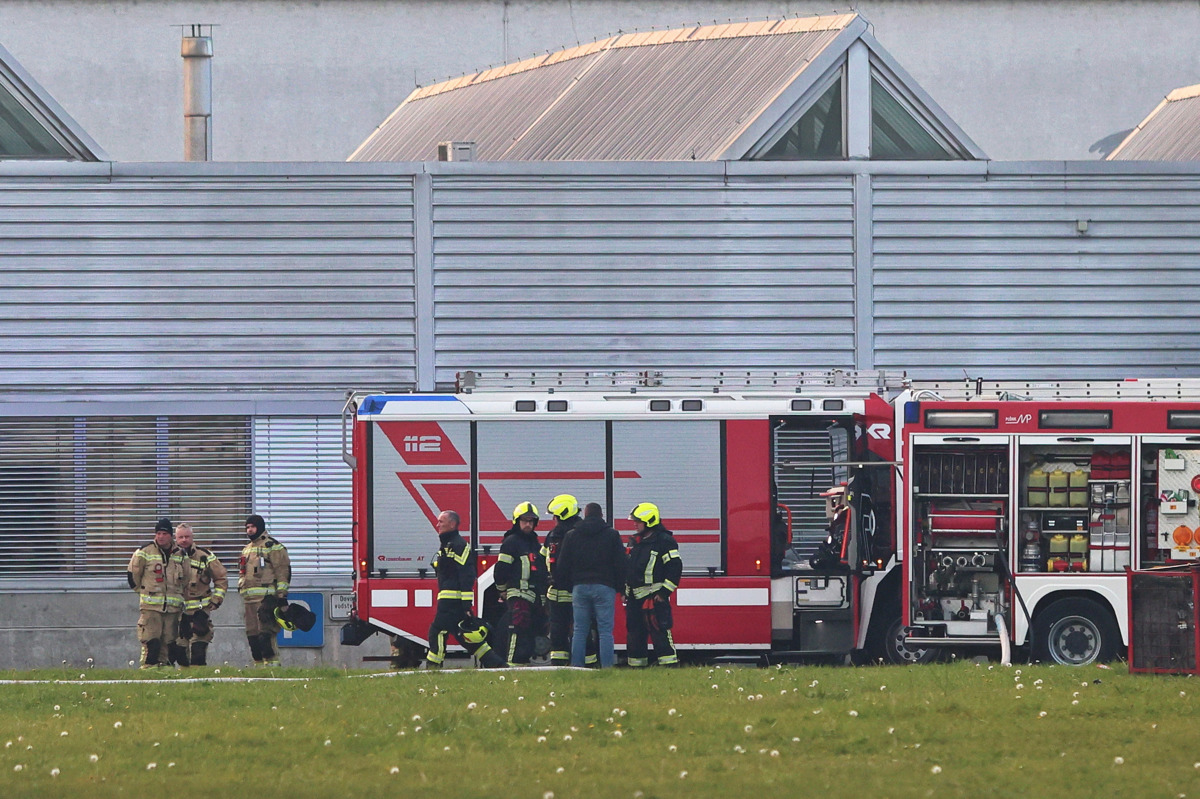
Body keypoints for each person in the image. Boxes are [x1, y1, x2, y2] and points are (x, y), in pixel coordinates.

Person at [425, 509, 503, 668]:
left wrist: (466, 604)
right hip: (451, 601)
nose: (437, 524)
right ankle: (497, 665)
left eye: (441, 521)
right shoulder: (448, 544)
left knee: (437, 632)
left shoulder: (458, 545)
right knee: (467, 638)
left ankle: (433, 668)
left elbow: (467, 576)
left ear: (452, 524)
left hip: (451, 602)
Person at [555, 502, 627, 668]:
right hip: (605, 587)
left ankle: (577, 667)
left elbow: (562, 565)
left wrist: (568, 585)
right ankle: (607, 668)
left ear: (585, 515)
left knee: (580, 630)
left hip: (580, 587)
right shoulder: (612, 535)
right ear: (601, 516)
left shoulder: (572, 535)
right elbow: (621, 564)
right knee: (605, 631)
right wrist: (621, 588)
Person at [624, 502, 682, 667]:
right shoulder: (635, 541)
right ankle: (636, 668)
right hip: (634, 597)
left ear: (649, 521)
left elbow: (675, 568)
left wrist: (663, 593)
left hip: (654, 598)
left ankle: (669, 666)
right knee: (634, 635)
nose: (634, 524)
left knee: (660, 632)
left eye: (638, 521)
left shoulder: (665, 541)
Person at [126, 518, 186, 668]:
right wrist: (144, 592)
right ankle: (147, 672)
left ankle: (164, 674)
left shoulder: (181, 554)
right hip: (151, 608)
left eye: (164, 533)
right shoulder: (144, 551)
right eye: (158, 533)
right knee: (151, 641)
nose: (160, 536)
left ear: (170, 535)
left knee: (168, 642)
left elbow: (186, 578)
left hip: (172, 609)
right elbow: (132, 576)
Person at [494, 501, 547, 666]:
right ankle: (512, 665)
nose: (528, 524)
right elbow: (501, 569)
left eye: (531, 521)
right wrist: (502, 590)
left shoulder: (534, 543)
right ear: (517, 521)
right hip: (518, 594)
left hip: (535, 596)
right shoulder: (511, 542)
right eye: (524, 520)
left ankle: (523, 663)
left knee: (531, 631)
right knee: (518, 629)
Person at [238, 513, 290, 667]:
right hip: (249, 601)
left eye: (252, 527)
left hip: (267, 599)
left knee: (265, 635)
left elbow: (283, 573)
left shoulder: (273, 547)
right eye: (247, 527)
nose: (250, 530)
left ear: (260, 527)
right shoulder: (246, 550)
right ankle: (259, 670)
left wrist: (281, 597)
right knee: (252, 637)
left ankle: (273, 668)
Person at [173, 522, 228, 667]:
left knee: (198, 651)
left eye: (187, 536)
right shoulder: (170, 557)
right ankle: (186, 684)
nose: (184, 540)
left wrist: (217, 599)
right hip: (177, 613)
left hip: (200, 612)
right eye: (180, 537)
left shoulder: (205, 556)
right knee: (180, 653)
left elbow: (221, 577)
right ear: (175, 539)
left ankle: (201, 681)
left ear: (192, 537)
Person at [542, 494, 584, 666]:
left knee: (558, 632)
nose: (553, 519)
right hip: (577, 592)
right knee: (582, 630)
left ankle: (559, 666)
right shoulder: (580, 533)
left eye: (555, 515)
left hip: (558, 593)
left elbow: (542, 560)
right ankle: (584, 664)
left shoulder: (554, 536)